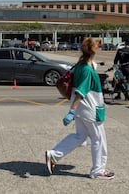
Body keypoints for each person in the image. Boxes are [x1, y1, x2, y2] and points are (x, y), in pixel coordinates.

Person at [45, 38, 115, 179]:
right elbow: (81, 92)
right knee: (98, 139)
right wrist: (71, 110)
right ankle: (98, 170)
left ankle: (53, 155)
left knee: (80, 136)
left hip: (81, 110)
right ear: (95, 51)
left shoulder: (80, 66)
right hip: (90, 109)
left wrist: (74, 111)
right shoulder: (88, 70)